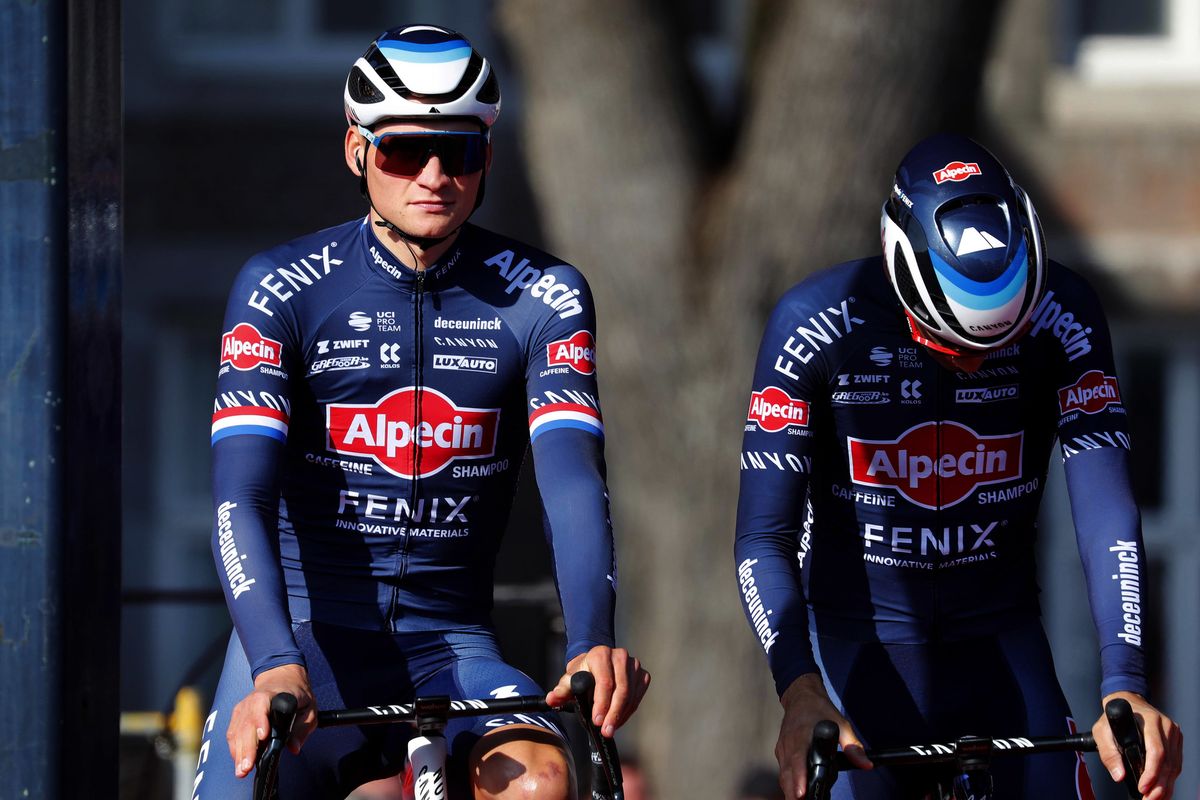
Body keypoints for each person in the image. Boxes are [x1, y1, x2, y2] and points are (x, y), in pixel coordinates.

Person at [194, 24, 649, 800]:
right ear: (356, 151)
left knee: (540, 782)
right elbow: (240, 497)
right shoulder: (280, 287)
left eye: (460, 152)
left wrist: (592, 640)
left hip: (454, 643)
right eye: (406, 151)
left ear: (488, 159)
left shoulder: (545, 296)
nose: (435, 176)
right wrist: (273, 659)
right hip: (307, 641)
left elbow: (572, 482)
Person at [734, 133, 1182, 799]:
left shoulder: (1066, 314)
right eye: (950, 342)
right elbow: (761, 540)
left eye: (1001, 341)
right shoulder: (813, 324)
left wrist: (1126, 681)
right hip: (860, 646)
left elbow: (1108, 516)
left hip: (1001, 634)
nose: (973, 360)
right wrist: (799, 690)